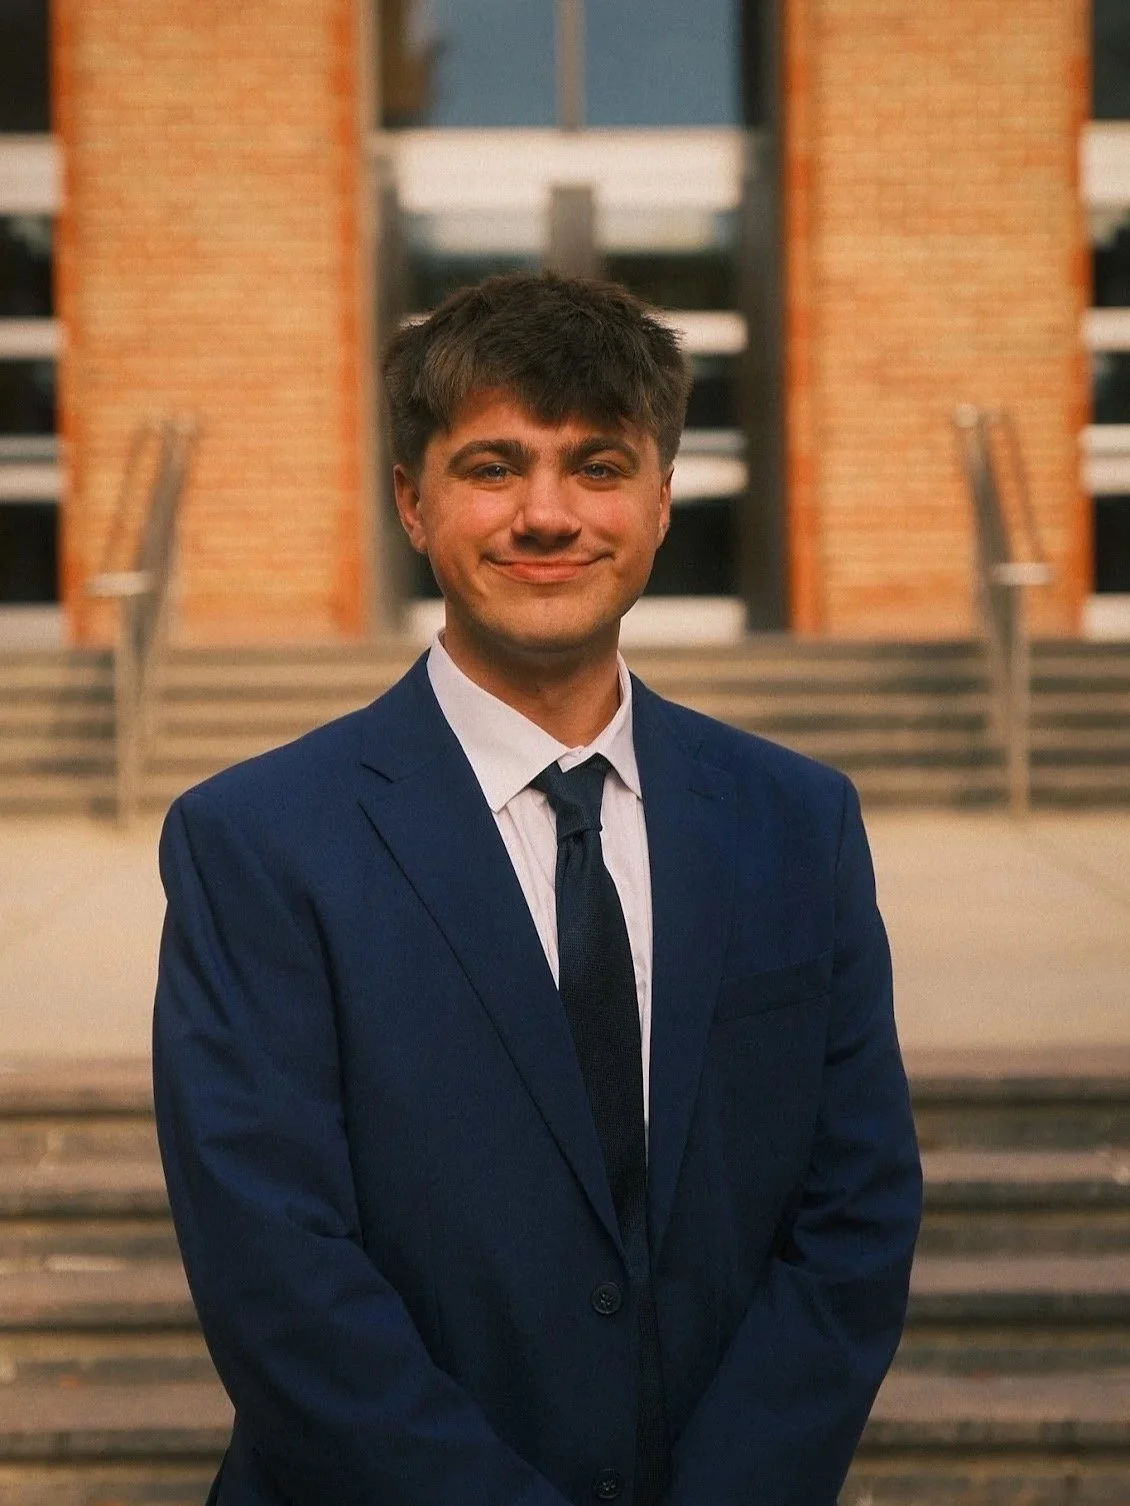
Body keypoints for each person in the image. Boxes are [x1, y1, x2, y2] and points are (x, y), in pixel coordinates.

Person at [153, 271, 922, 1506]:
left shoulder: (797, 823)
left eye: (600, 467)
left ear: (663, 501)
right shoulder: (256, 842)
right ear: (411, 501)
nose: (548, 515)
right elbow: (275, 1273)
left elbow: (854, 1215)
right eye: (494, 467)